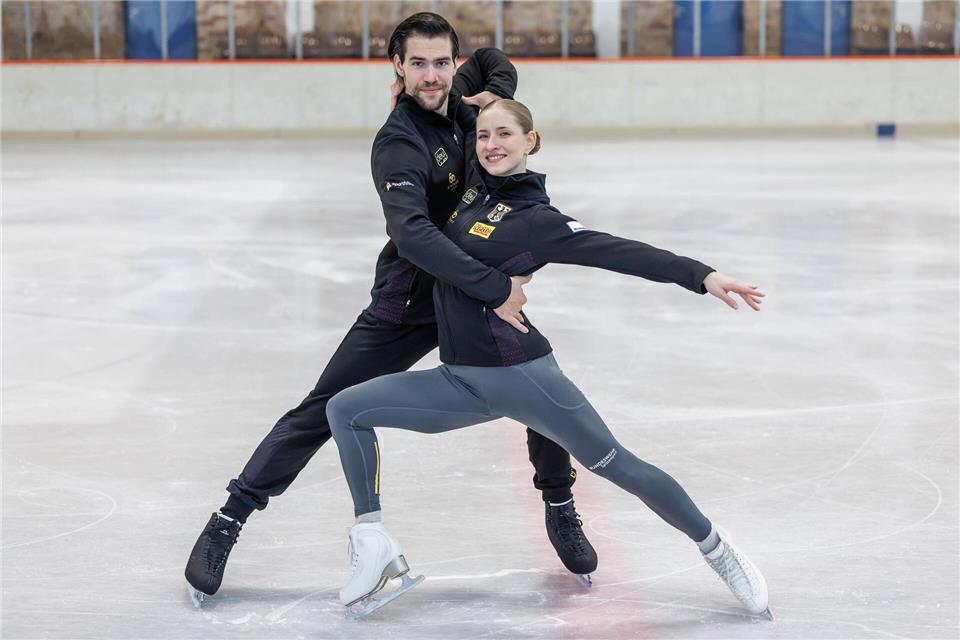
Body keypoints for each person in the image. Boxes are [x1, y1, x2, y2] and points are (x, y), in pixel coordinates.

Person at [184, 13, 596, 606]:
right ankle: (230, 517)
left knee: (540, 391)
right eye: (419, 64)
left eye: (442, 63)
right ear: (397, 68)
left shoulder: (465, 101)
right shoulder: (399, 142)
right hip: (411, 303)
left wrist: (494, 94)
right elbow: (413, 236)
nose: (432, 76)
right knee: (321, 409)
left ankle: (559, 503)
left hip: (473, 298)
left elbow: (496, 59)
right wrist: (493, 286)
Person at [326, 98, 772, 620]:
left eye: (505, 136)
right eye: (484, 135)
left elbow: (618, 250)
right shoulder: (470, 193)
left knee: (620, 466)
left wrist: (702, 275)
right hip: (459, 381)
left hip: (523, 377)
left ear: (530, 142)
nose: (492, 144)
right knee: (345, 409)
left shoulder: (535, 219)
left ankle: (719, 550)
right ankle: (372, 539)